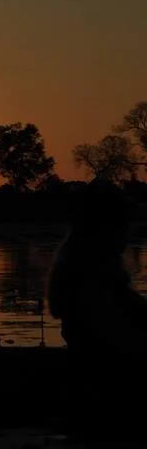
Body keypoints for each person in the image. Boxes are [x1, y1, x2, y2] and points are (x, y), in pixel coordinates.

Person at [47, 178, 147, 441]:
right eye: (122, 224)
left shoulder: (100, 272)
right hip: (105, 400)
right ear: (101, 228)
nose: (128, 233)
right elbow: (126, 345)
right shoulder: (87, 280)